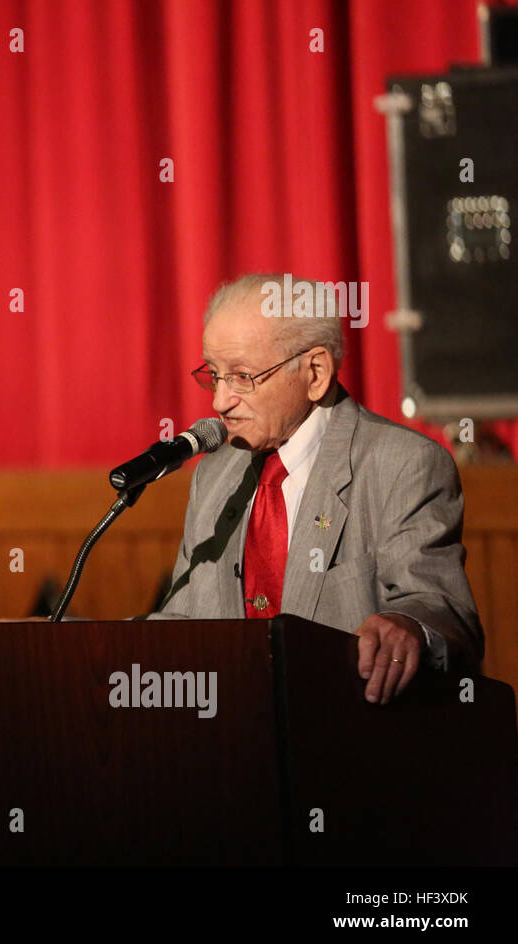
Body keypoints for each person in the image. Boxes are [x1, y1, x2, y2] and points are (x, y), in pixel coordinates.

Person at [143, 273, 484, 703]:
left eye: (242, 377)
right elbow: (184, 622)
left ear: (316, 372)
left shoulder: (401, 464)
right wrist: (83, 641)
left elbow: (443, 608)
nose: (219, 401)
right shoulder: (215, 475)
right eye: (214, 374)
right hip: (230, 743)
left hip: (351, 742)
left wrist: (408, 625)